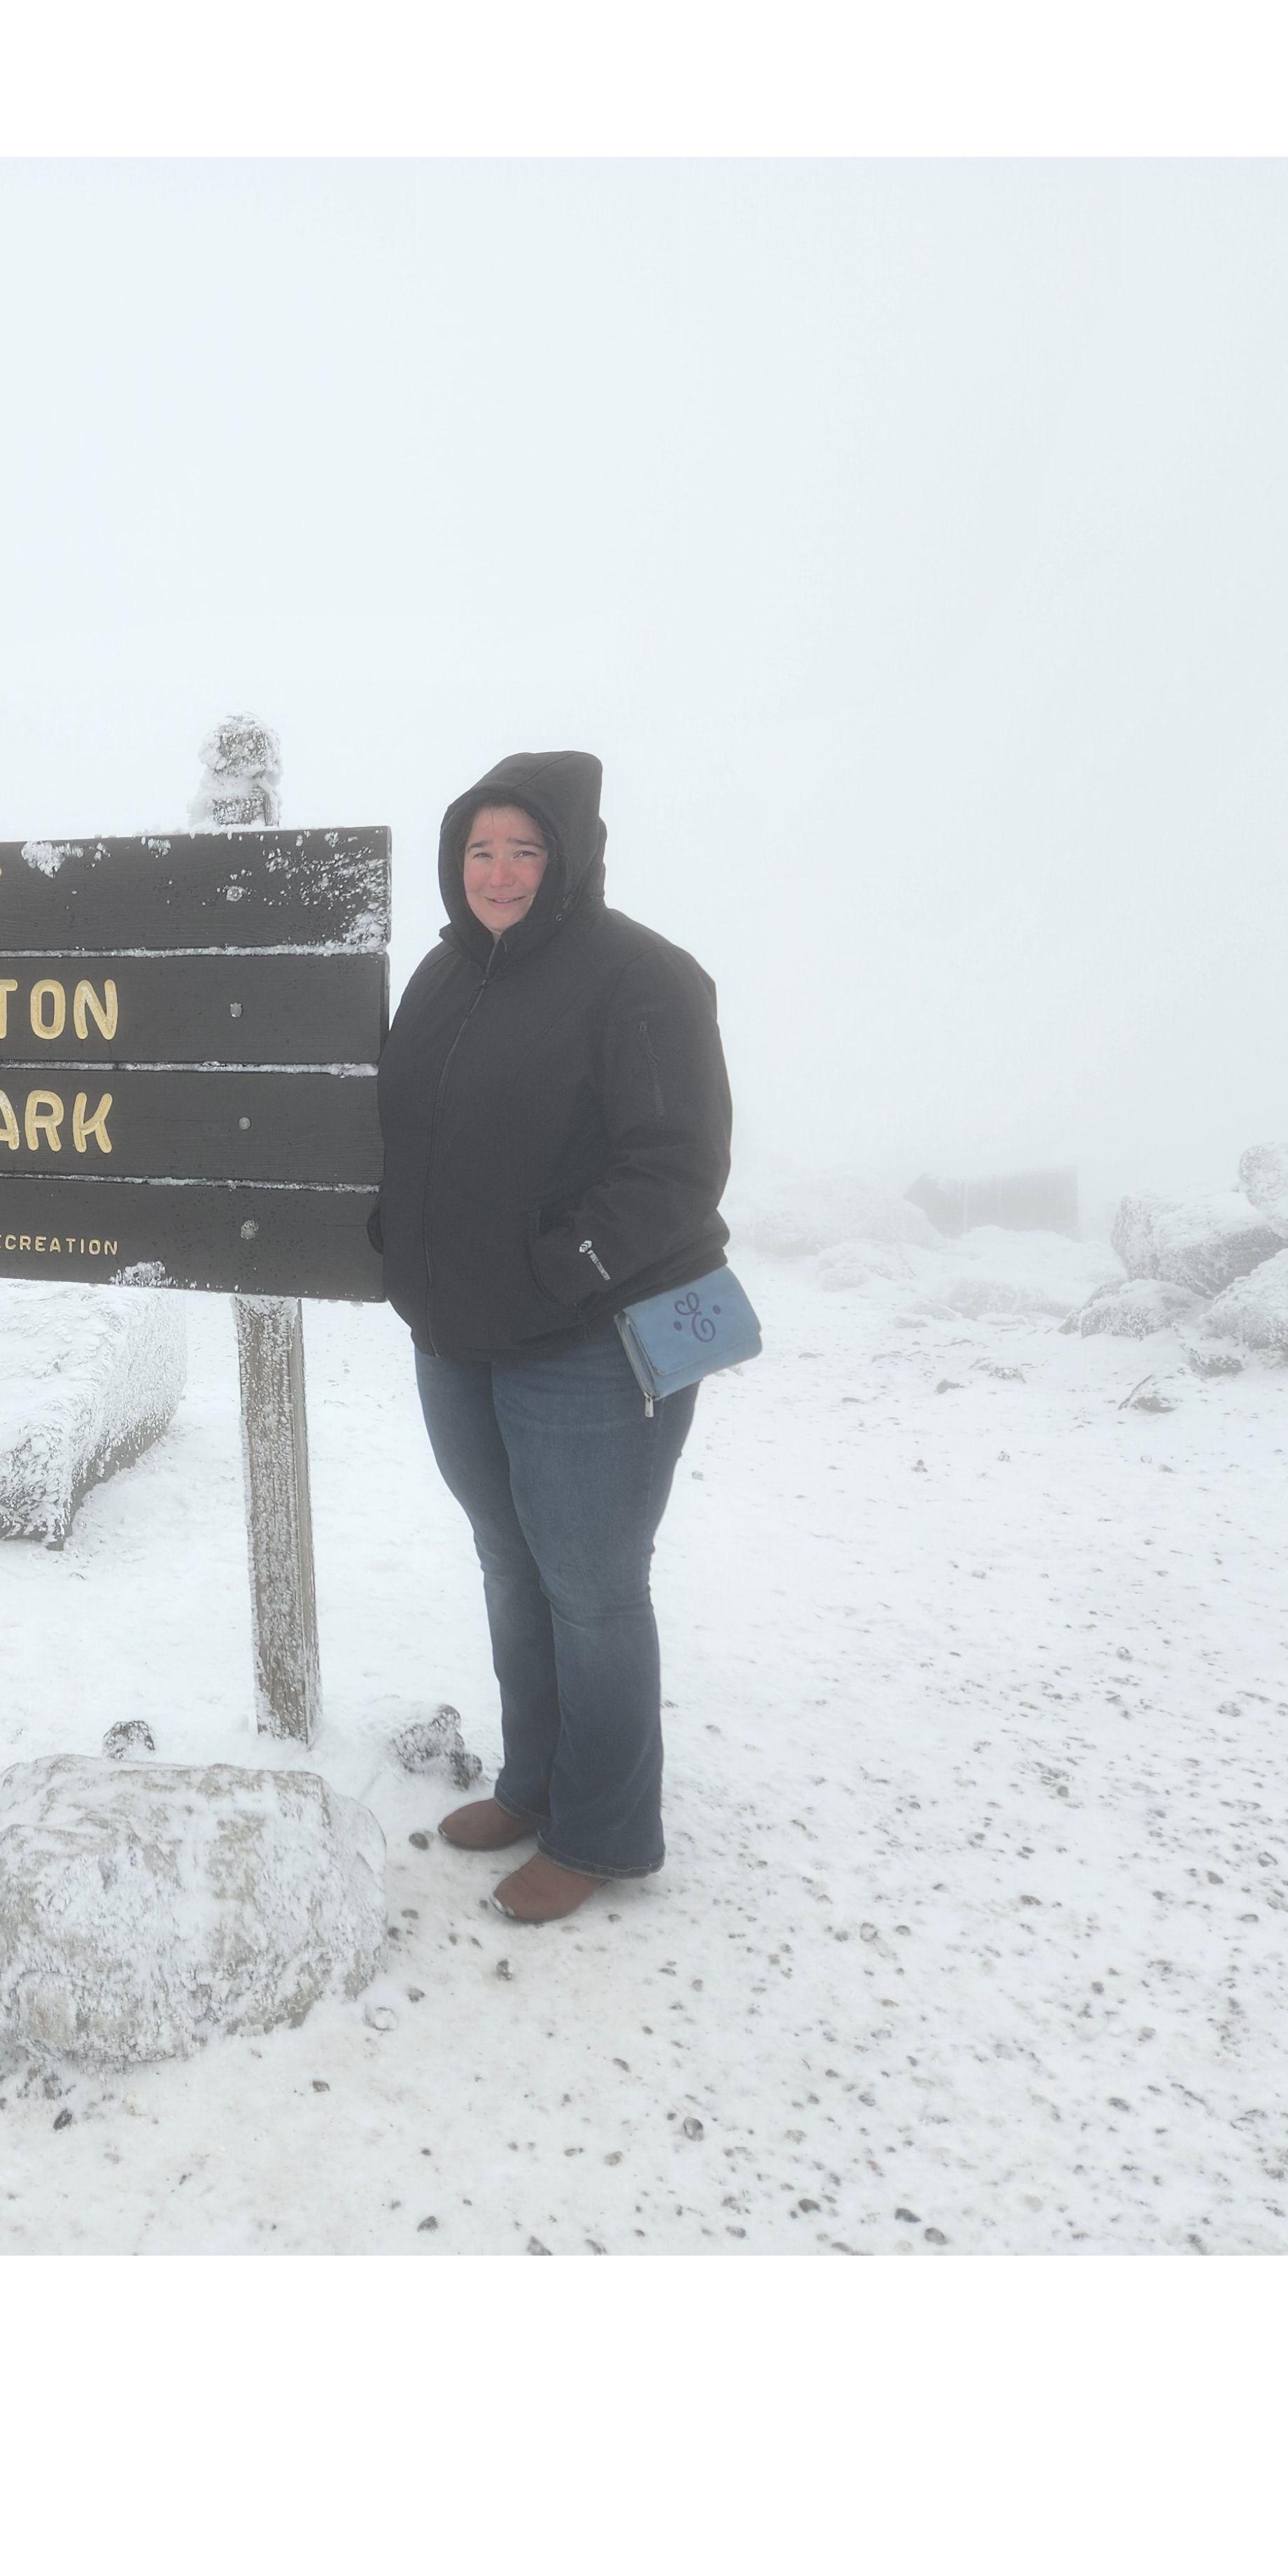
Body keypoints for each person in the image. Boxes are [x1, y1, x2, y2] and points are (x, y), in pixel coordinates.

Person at [374, 751, 732, 1924]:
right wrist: (396, 1244)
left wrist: (560, 1270)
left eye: (525, 850)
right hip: (460, 1336)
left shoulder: (642, 977)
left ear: (568, 859)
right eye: (480, 850)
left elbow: (675, 1166)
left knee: (591, 1589)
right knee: (510, 1565)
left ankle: (603, 1830)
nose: (499, 872)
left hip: (591, 1340)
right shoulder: (444, 975)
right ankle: (533, 1785)